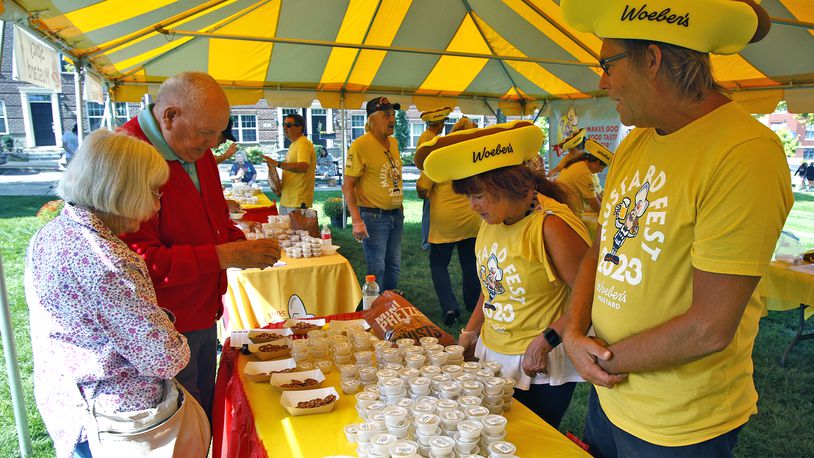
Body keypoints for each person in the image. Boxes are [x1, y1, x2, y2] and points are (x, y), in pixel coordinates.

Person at [559, 1, 792, 456]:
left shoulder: (744, 152)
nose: (601, 81)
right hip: (610, 396)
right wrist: (572, 332)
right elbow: (600, 250)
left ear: (652, 58)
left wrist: (595, 358)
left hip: (680, 423)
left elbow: (709, 326)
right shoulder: (637, 140)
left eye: (608, 64)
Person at [25, 129, 210, 458]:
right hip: (123, 422)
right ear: (124, 191)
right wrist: (170, 327)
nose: (156, 205)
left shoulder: (54, 231)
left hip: (71, 402)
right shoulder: (109, 263)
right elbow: (166, 357)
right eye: (154, 192)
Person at [118, 71, 281, 424]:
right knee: (179, 425)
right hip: (162, 330)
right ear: (170, 116)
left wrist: (239, 243)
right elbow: (135, 265)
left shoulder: (196, 149)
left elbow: (213, 219)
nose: (212, 145)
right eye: (205, 133)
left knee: (202, 415)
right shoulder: (127, 155)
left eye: (218, 134)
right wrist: (225, 255)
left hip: (203, 312)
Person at [416, 121, 591, 428]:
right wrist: (471, 333)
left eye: (479, 195)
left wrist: (548, 339)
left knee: (533, 441)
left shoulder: (550, 226)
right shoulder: (494, 220)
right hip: (493, 352)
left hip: (538, 365)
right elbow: (493, 284)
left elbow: (590, 295)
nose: (472, 206)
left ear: (507, 187)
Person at [416, 116, 481, 326]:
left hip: (445, 222)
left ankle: (450, 307)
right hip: (472, 218)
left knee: (438, 264)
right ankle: (473, 305)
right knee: (470, 264)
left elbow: (422, 189)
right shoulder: (474, 157)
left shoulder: (439, 156)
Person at [343, 96, 404, 291]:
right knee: (377, 268)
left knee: (394, 265)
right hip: (373, 216)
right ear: (372, 120)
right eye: (387, 115)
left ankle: (390, 305)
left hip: (396, 214)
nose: (392, 120)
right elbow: (348, 186)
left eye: (393, 115)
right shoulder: (360, 145)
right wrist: (356, 221)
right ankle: (374, 310)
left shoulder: (393, 143)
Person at [555, 138, 613, 240]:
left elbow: (595, 194)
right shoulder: (584, 172)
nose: (600, 171)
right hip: (571, 214)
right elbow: (593, 203)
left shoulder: (581, 165)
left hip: (569, 210)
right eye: (601, 168)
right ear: (596, 163)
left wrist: (606, 207)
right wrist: (609, 217)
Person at [264, 113, 316, 214]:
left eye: (288, 125)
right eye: (283, 125)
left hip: (297, 201)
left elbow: (303, 167)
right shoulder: (294, 144)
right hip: (288, 199)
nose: (284, 128)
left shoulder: (303, 144)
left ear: (299, 127)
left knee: (296, 230)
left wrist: (277, 163)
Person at [418, 107, 452, 251]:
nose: (443, 125)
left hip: (431, 181)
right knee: (429, 214)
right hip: (430, 182)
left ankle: (428, 241)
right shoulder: (430, 139)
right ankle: (427, 243)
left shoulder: (428, 137)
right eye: (442, 122)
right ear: (438, 124)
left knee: (429, 212)